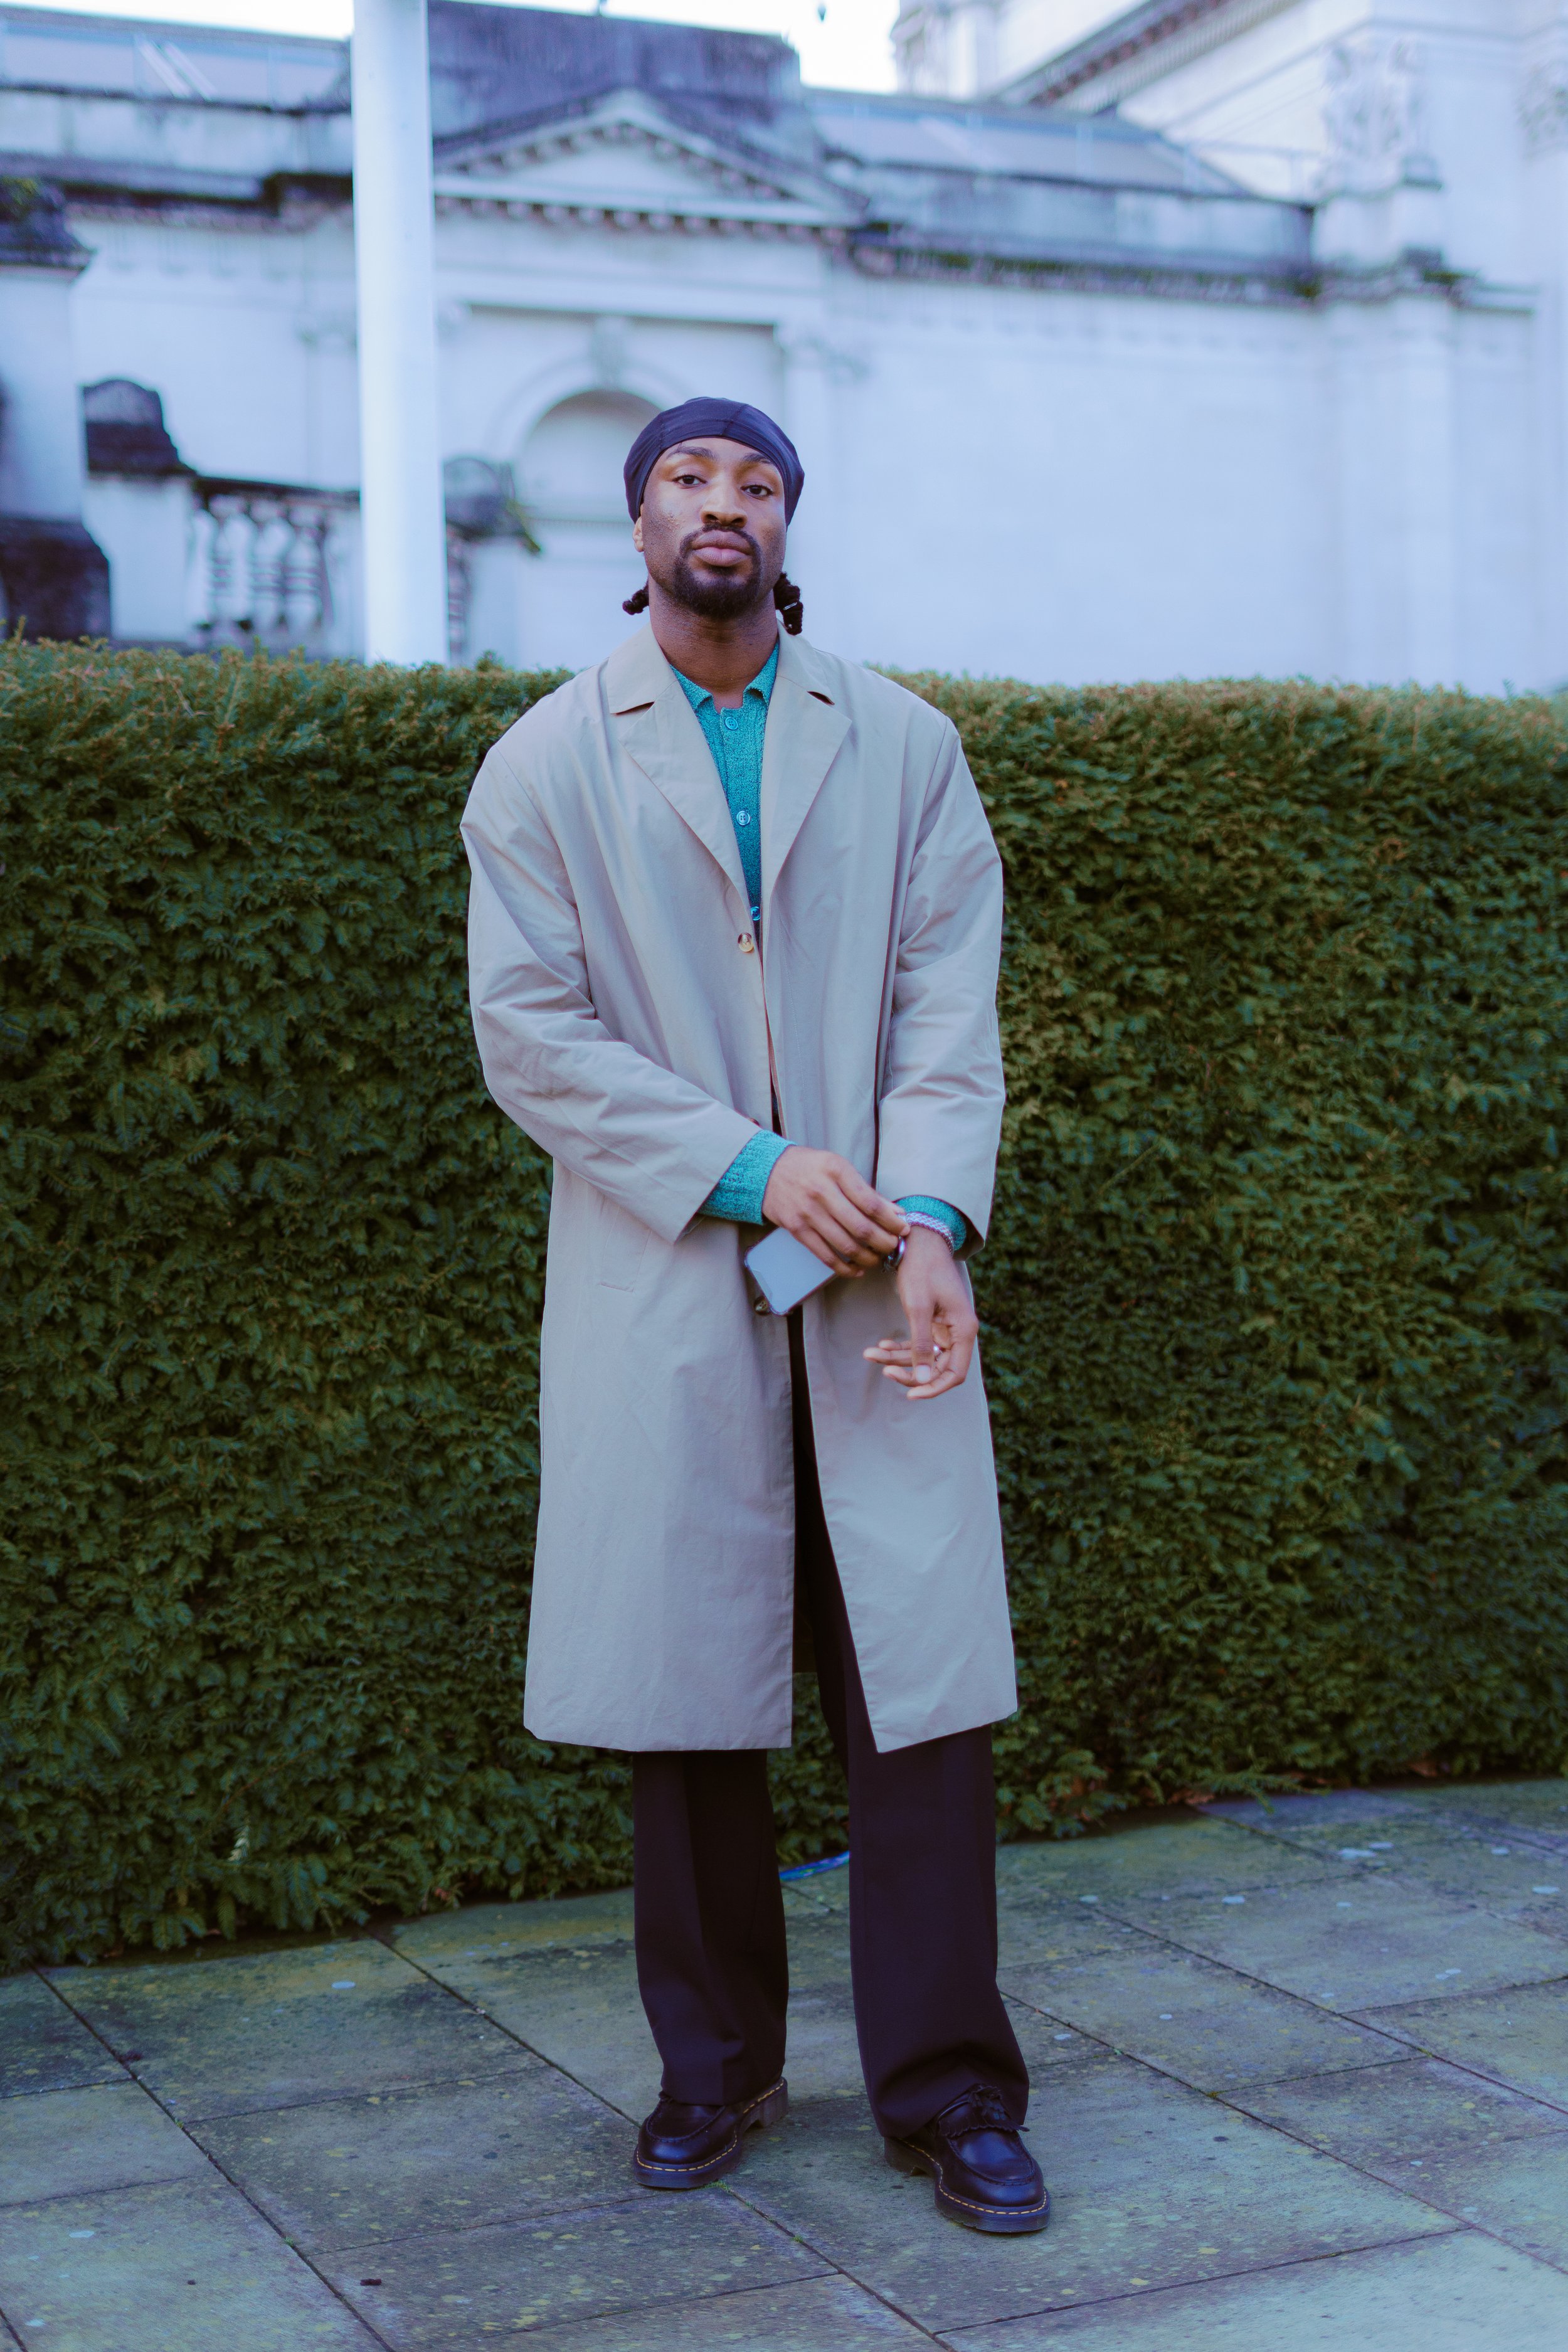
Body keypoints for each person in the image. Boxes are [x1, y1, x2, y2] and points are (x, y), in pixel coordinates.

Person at [461, 396, 1047, 2234]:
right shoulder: (543, 765)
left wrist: (933, 1219)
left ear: (789, 527)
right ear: (636, 528)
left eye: (758, 483)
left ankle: (951, 2092)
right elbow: (530, 1037)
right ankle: (712, 2071)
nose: (725, 506)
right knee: (691, 1698)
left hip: (879, 1275)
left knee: (918, 1696)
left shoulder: (906, 745)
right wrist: (750, 1165)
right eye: (687, 481)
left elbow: (948, 1005)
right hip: (668, 1282)